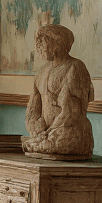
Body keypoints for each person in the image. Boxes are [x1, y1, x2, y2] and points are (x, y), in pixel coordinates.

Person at [23, 24, 94, 159]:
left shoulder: (75, 67)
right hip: (47, 133)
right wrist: (34, 127)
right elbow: (33, 107)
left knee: (44, 145)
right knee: (28, 143)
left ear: (57, 44)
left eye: (42, 43)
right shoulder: (42, 71)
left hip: (69, 130)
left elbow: (71, 112)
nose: (38, 48)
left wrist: (49, 132)